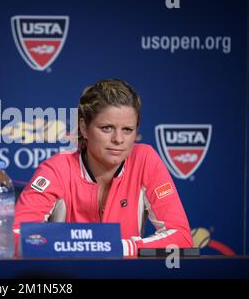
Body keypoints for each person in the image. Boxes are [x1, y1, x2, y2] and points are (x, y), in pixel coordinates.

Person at [13, 78, 193, 257]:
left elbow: (181, 237)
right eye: (107, 128)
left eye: (127, 130)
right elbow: (15, 237)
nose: (119, 140)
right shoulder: (56, 169)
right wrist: (83, 246)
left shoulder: (145, 159)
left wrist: (118, 247)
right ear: (84, 128)